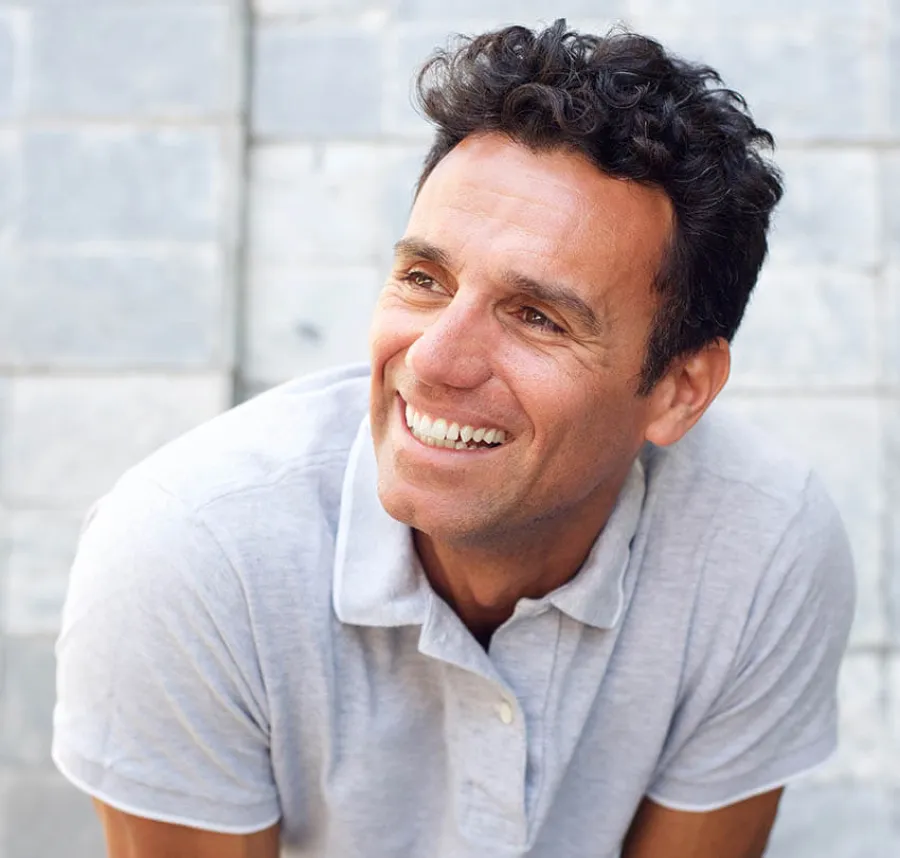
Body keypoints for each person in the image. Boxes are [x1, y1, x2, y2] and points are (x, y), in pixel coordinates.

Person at [52, 19, 855, 858]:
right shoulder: (187, 551)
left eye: (538, 316)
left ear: (679, 390)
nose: (434, 361)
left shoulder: (763, 544)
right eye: (424, 280)